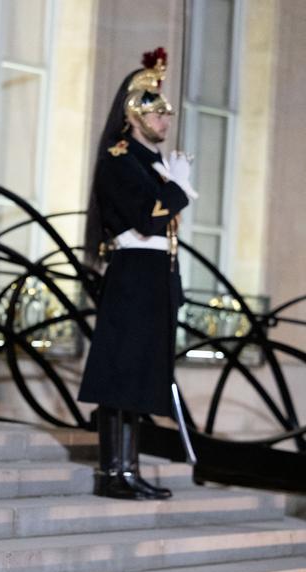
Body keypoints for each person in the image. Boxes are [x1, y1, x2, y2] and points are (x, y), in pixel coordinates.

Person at [78, 48, 198, 501]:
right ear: (134, 111)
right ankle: (114, 472)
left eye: (167, 112)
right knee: (122, 375)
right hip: (132, 276)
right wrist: (178, 189)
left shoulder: (149, 160)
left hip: (154, 278)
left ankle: (131, 468)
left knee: (143, 376)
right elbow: (148, 219)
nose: (166, 119)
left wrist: (172, 183)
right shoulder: (120, 158)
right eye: (157, 110)